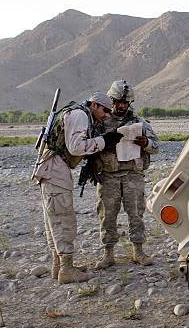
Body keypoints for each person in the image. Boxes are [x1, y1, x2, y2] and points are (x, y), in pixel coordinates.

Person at [33, 92, 123, 284]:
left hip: (52, 168)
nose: (106, 115)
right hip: (55, 169)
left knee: (54, 218)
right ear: (95, 105)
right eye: (105, 110)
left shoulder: (76, 113)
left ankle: (59, 265)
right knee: (63, 218)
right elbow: (75, 148)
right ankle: (66, 269)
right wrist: (104, 141)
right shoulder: (80, 115)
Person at [94, 80, 159, 270]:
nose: (121, 106)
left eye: (125, 103)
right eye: (117, 102)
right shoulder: (100, 122)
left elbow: (156, 147)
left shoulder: (139, 122)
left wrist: (145, 142)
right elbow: (90, 146)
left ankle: (138, 251)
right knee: (107, 214)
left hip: (133, 174)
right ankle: (108, 254)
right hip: (108, 175)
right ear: (111, 101)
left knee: (136, 213)